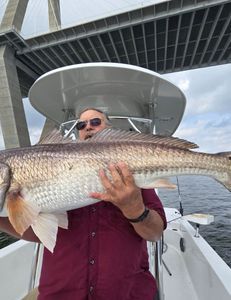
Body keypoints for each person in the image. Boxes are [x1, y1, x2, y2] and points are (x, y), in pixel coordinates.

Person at [0, 108, 167, 300]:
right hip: (60, 294)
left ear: (110, 131)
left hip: (127, 293)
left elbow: (155, 234)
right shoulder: (52, 170)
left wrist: (134, 208)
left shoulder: (130, 173)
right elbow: (37, 232)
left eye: (95, 122)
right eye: (81, 125)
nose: (88, 127)